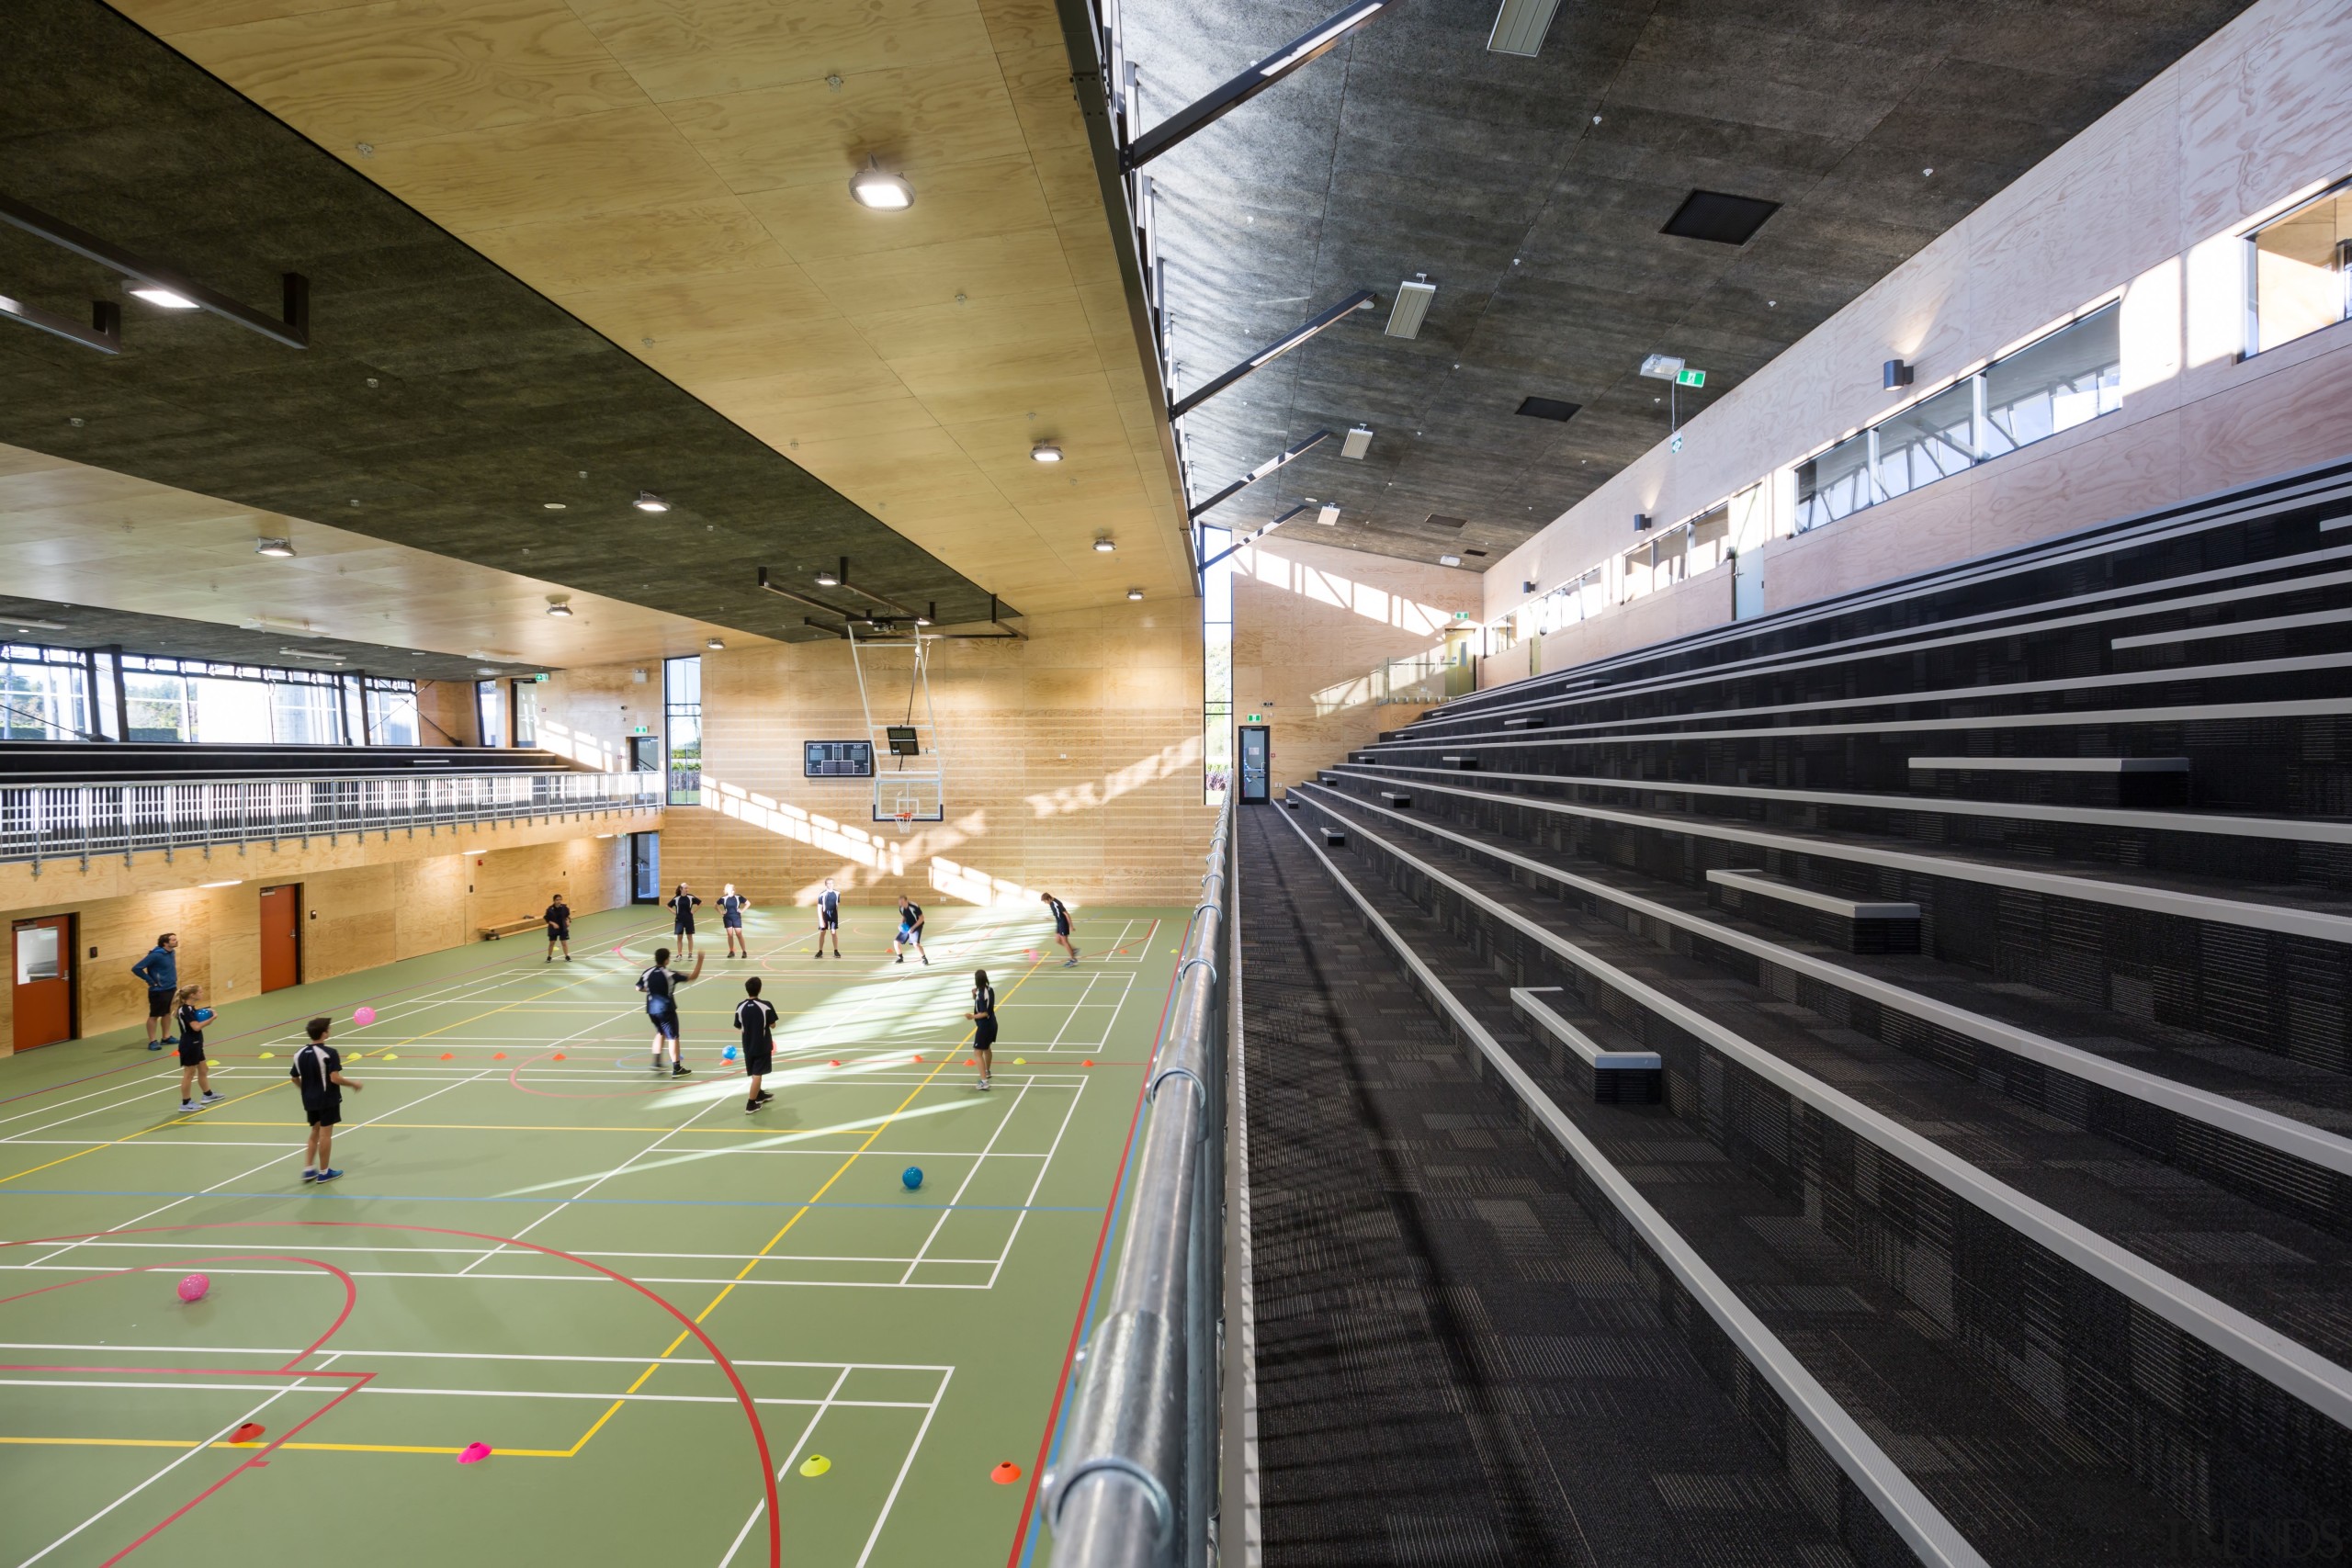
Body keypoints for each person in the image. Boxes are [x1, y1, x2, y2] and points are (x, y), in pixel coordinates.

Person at [291, 1016, 362, 1184]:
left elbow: (294, 1078)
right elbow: (335, 1078)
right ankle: (324, 1172)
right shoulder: (330, 1053)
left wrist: (306, 1090)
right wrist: (353, 1084)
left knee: (314, 1132)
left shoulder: (299, 1053)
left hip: (309, 1100)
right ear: (324, 1034)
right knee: (325, 1134)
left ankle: (308, 1169)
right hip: (327, 1099)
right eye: (328, 1029)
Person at [638, 944, 705, 1075]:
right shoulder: (669, 974)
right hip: (666, 1009)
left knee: (660, 1032)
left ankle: (656, 1063)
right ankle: (677, 1068)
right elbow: (692, 977)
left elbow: (638, 987)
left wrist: (652, 990)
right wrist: (700, 961)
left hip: (651, 1009)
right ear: (666, 960)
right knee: (673, 1037)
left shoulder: (647, 973)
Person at [734, 976, 779, 1113]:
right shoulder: (766, 1005)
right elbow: (773, 1025)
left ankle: (759, 1094)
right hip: (762, 1045)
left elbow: (738, 1025)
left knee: (755, 1071)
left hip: (747, 1045)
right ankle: (751, 1104)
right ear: (760, 989)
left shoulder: (740, 1006)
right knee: (758, 1073)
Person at [174, 985, 221, 1111]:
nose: (202, 993)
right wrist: (212, 1018)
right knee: (189, 1073)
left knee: (204, 1069)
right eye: (200, 992)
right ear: (192, 995)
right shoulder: (185, 1010)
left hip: (196, 1043)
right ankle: (185, 1103)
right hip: (189, 1044)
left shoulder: (190, 1008)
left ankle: (208, 1095)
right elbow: (196, 1027)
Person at [132, 932, 179, 1050]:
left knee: (167, 1013)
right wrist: (150, 981)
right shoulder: (155, 955)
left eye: (175, 939)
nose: (176, 941)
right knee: (154, 1015)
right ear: (165, 943)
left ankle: (166, 1037)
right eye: (173, 940)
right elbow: (136, 968)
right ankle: (152, 1041)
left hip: (171, 987)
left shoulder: (171, 952)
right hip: (158, 990)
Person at [967, 968, 997, 1091]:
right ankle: (987, 1071)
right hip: (993, 1024)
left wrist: (972, 1016)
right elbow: (982, 1003)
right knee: (987, 1049)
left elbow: (984, 1013)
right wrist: (974, 994)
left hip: (984, 1026)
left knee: (977, 1052)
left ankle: (984, 1082)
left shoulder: (980, 994)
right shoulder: (989, 989)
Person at [1042, 892, 1079, 967]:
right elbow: (1057, 914)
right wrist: (1050, 918)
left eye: (1045, 901)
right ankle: (1073, 950)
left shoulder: (1057, 903)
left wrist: (1071, 926)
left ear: (1048, 899)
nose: (1045, 903)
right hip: (1059, 923)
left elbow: (1067, 914)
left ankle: (1073, 960)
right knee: (1057, 940)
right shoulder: (1051, 903)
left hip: (1063, 923)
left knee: (1065, 942)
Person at [668, 884, 703, 957]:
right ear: (681, 889)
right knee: (679, 937)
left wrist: (694, 911)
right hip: (679, 920)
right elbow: (668, 905)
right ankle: (679, 954)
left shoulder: (691, 897)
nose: (687, 889)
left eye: (687, 888)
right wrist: (674, 912)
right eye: (685, 888)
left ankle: (690, 954)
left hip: (688, 919)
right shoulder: (676, 898)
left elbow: (701, 903)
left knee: (689, 937)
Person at [893, 895, 927, 966]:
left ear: (906, 901)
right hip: (907, 926)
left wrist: (913, 928)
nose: (900, 904)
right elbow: (904, 916)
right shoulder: (901, 908)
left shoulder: (914, 907)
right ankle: (900, 958)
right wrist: (901, 924)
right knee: (896, 942)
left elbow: (921, 918)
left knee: (916, 944)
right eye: (899, 902)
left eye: (902, 902)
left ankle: (924, 958)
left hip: (917, 925)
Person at [814, 877, 842, 959]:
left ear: (834, 884)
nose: (830, 885)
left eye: (832, 883)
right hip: (824, 915)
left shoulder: (837, 893)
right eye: (828, 883)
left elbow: (837, 905)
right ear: (825, 884)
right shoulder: (822, 894)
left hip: (833, 915)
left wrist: (836, 916)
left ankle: (836, 951)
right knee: (823, 932)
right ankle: (820, 951)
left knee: (833, 932)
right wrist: (821, 920)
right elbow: (819, 908)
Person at [720, 884, 752, 958]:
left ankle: (744, 951)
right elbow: (715, 905)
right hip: (727, 918)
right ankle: (731, 951)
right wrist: (721, 912)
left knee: (739, 934)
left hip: (736, 918)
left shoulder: (739, 897)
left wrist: (742, 911)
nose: (734, 890)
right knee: (730, 935)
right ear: (728, 890)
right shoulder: (723, 898)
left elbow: (748, 903)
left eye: (734, 889)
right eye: (732, 889)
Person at [544, 892, 572, 963]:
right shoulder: (550, 909)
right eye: (557, 900)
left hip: (563, 927)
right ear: (554, 901)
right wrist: (553, 923)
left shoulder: (564, 908)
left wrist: (568, 921)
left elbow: (567, 916)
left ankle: (567, 956)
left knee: (564, 943)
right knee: (552, 943)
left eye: (560, 899)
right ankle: (549, 957)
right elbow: (547, 919)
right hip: (553, 929)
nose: (559, 901)